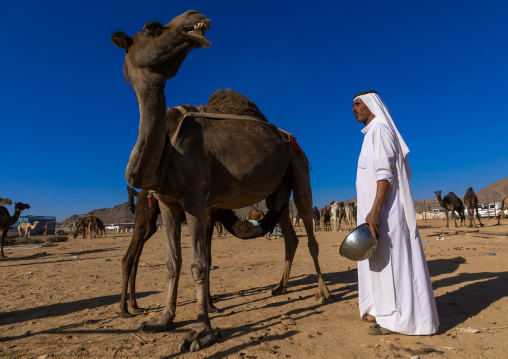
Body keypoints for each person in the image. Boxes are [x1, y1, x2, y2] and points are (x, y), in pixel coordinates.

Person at [353, 90, 439, 335]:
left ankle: (397, 320)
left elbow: (385, 173)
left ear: (371, 106)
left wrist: (376, 210)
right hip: (377, 212)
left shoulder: (380, 130)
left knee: (393, 265)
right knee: (377, 260)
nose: (354, 108)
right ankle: (378, 309)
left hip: (385, 213)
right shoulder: (371, 134)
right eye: (353, 105)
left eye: (358, 104)